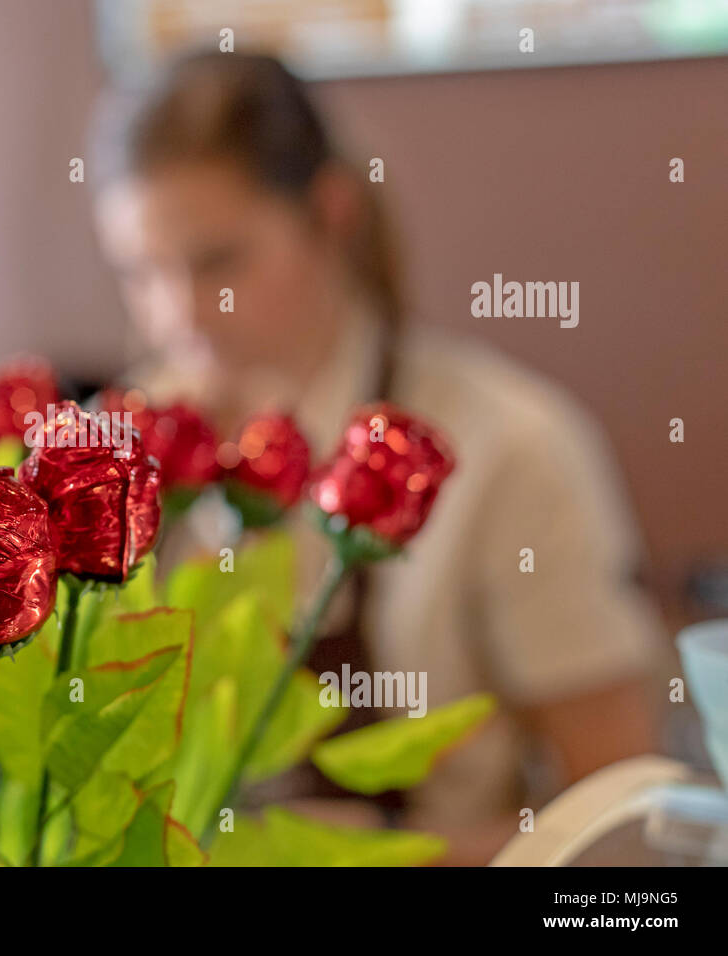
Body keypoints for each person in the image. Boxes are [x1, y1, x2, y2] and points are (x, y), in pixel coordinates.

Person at [89, 51, 665, 862]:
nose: (178, 315)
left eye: (219, 262)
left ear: (330, 212)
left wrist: (397, 853)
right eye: (140, 273)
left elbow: (624, 824)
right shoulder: (115, 456)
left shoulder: (513, 447)